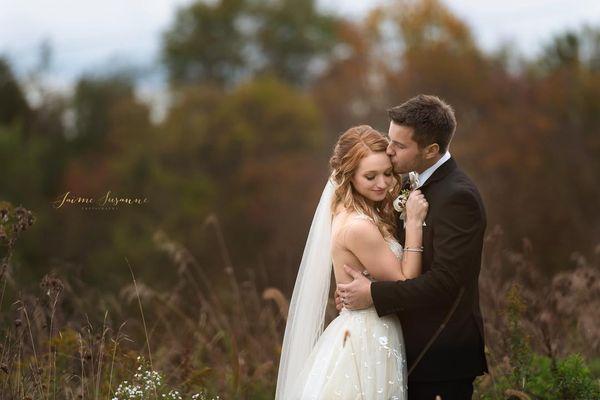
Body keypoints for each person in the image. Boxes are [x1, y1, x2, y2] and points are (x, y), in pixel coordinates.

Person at [337, 95, 488, 400]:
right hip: (401, 349)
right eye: (389, 138)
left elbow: (444, 284)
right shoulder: (409, 183)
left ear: (431, 150)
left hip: (441, 357)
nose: (388, 150)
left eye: (399, 145)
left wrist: (372, 294)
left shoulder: (458, 198)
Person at [275, 125, 429, 399]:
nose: (382, 183)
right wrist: (415, 223)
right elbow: (407, 282)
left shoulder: (355, 212)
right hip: (368, 338)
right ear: (349, 177)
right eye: (370, 176)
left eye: (387, 173)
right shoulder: (359, 226)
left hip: (370, 329)